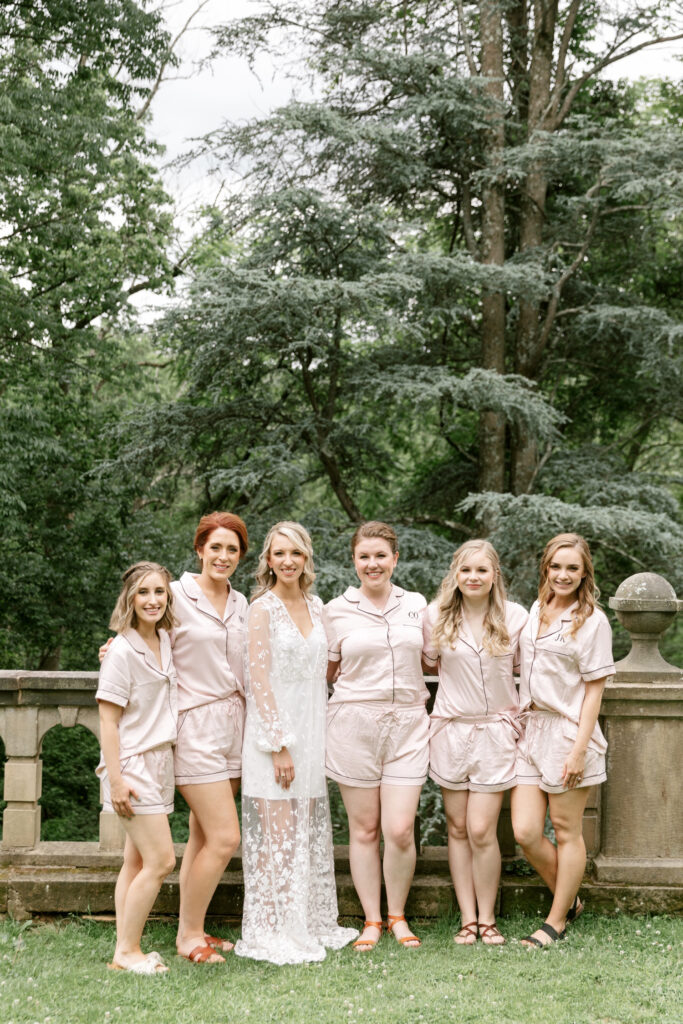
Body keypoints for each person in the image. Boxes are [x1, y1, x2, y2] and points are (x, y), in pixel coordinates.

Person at [100, 511, 249, 964]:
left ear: (241, 556)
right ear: (199, 548)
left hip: (235, 728)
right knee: (225, 838)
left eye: (233, 549)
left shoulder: (242, 603)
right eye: (215, 547)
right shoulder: (175, 595)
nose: (223, 556)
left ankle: (184, 932)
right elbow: (136, 628)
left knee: (203, 836)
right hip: (191, 728)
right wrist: (111, 647)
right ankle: (183, 938)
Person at [234, 522, 357, 964]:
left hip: (312, 731)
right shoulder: (261, 609)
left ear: (307, 560)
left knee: (301, 832)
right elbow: (259, 680)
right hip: (275, 738)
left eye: (296, 554)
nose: (288, 561)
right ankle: (274, 928)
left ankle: (304, 920)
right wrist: (279, 744)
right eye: (279, 553)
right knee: (278, 834)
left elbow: (327, 666)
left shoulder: (317, 606)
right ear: (268, 560)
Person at [324, 521, 428, 951]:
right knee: (364, 829)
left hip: (408, 724)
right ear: (354, 561)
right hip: (355, 725)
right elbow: (325, 672)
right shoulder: (335, 611)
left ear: (395, 559)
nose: (373, 564)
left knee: (400, 828)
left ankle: (398, 916)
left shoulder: (417, 605)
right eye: (364, 557)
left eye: (381, 556)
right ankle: (371, 919)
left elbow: (446, 651)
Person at [511, 532, 615, 947]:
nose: (563, 574)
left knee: (567, 830)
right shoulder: (537, 608)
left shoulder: (592, 620)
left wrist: (577, 750)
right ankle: (571, 899)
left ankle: (555, 921)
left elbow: (595, 691)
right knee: (524, 832)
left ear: (585, 571)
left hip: (568, 733)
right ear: (546, 567)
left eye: (572, 567)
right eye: (556, 566)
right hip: (530, 731)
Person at [423, 540, 528, 945]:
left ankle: (489, 918)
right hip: (451, 731)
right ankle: (468, 919)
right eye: (466, 570)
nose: (473, 578)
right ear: (455, 574)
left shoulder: (515, 618)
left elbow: (527, 671)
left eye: (481, 570)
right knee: (457, 827)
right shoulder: (435, 616)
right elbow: (426, 665)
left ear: (494, 575)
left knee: (482, 828)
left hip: (496, 734)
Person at [96, 562, 179, 975]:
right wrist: (116, 780)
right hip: (132, 768)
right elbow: (108, 722)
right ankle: (128, 952)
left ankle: (122, 950)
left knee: (135, 861)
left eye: (160, 592)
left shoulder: (165, 638)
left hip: (161, 762)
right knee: (162, 860)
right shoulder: (122, 651)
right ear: (130, 598)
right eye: (144, 593)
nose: (152, 600)